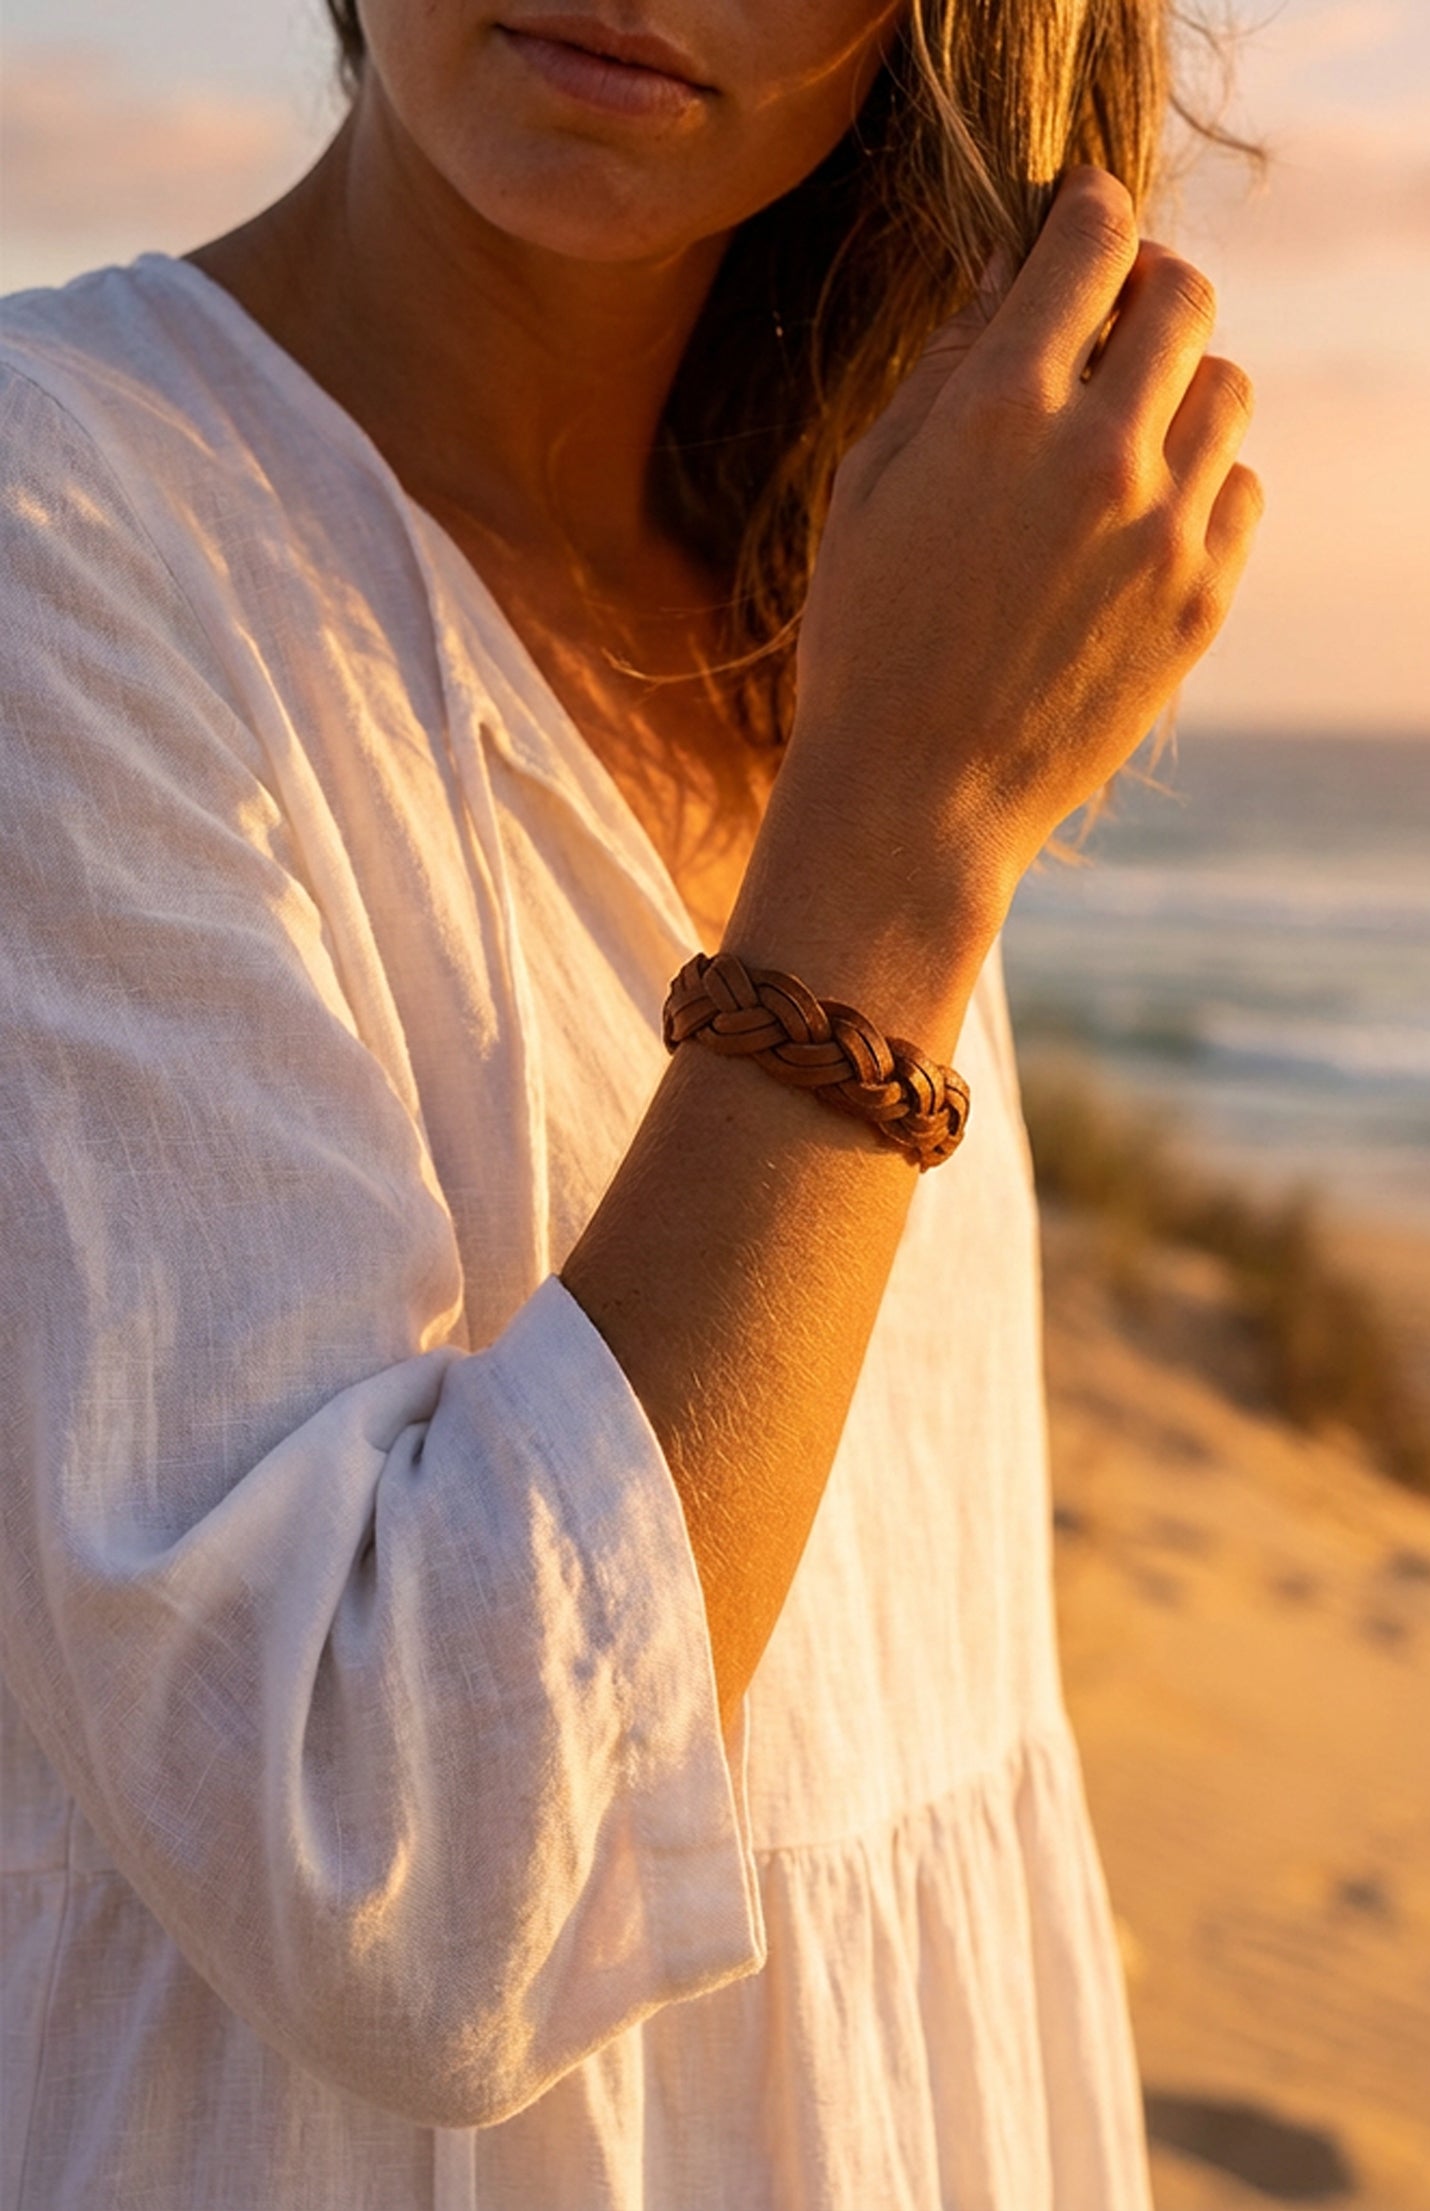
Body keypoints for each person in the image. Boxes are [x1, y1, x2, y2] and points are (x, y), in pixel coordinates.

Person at [0, 0, 1262, 2202]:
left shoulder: (848, 593)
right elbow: (403, 1853)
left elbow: (898, 1710)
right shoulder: (64, 528)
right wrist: (901, 840)